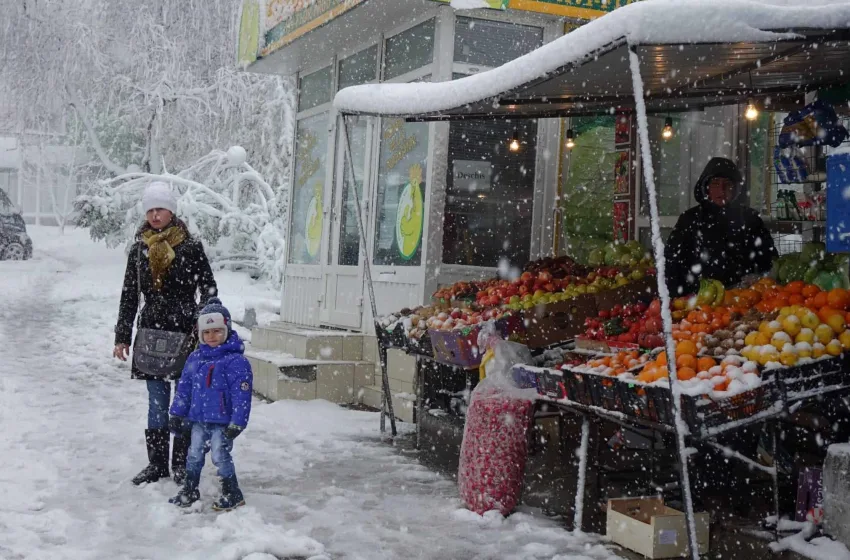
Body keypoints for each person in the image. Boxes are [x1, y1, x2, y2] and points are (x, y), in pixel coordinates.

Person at [113, 181, 218, 486]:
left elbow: (209, 289)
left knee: (183, 402)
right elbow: (129, 294)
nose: (155, 215)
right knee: (157, 402)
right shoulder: (139, 250)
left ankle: (181, 465)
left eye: (160, 208)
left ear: (171, 211)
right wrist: (122, 335)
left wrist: (203, 324)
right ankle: (157, 465)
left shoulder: (190, 246)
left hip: (186, 333)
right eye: (150, 210)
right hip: (151, 334)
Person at [168, 298, 252, 510]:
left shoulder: (235, 361)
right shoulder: (195, 358)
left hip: (222, 423)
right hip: (198, 420)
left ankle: (232, 492)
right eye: (206, 332)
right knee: (194, 454)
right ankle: (190, 488)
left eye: (216, 331)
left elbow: (242, 395)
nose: (211, 336)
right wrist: (177, 413)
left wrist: (237, 422)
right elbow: (184, 388)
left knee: (219, 455)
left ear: (226, 330)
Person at [665, 157, 777, 296]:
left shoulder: (750, 219)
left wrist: (759, 283)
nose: (721, 190)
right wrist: (676, 298)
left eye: (727, 184)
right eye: (715, 183)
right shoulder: (690, 219)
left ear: (736, 189)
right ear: (706, 187)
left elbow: (768, 260)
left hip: (743, 299)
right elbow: (672, 262)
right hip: (698, 300)